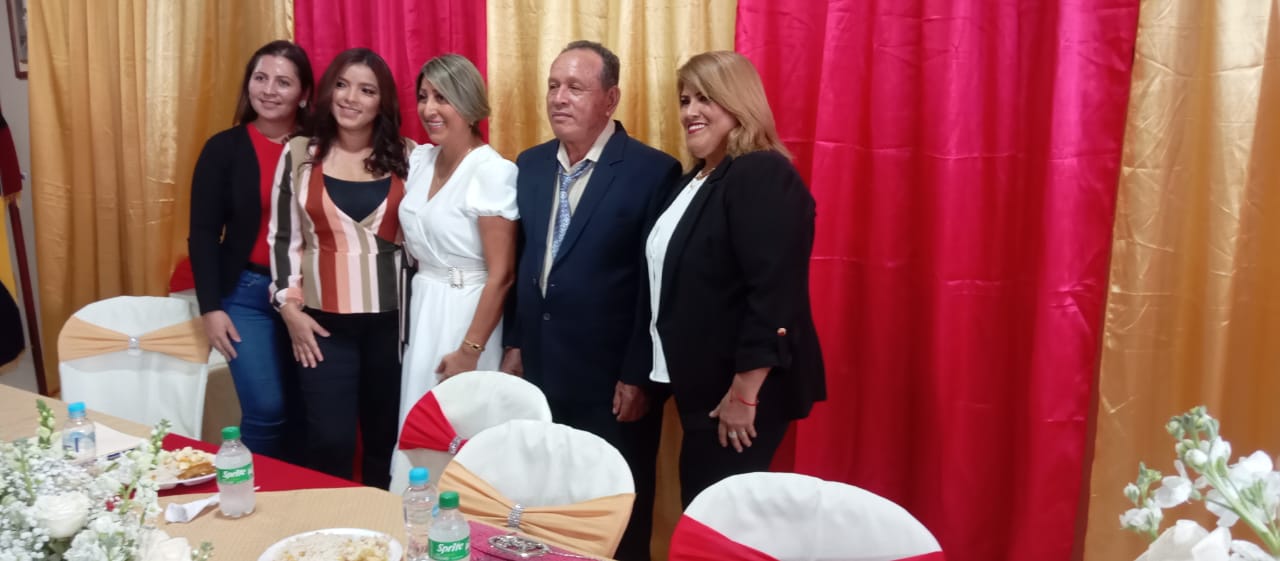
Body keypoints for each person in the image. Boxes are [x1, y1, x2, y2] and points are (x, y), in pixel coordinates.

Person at [503, 40, 680, 561]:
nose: (559, 98)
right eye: (553, 86)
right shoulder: (531, 164)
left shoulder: (653, 171)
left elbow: (654, 286)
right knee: (548, 498)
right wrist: (515, 343)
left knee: (616, 507)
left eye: (575, 87)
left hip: (612, 382)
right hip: (540, 370)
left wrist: (637, 374)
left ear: (611, 99)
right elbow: (524, 263)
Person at [623, 50, 826, 507]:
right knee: (703, 510)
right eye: (685, 100)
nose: (690, 112)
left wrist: (745, 392)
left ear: (739, 103)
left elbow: (774, 293)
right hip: (701, 389)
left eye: (705, 98)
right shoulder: (696, 180)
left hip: (737, 395)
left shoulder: (761, 171)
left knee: (717, 522)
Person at [268, 47, 412, 489]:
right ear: (328, 91)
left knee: (386, 441)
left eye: (367, 90)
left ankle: (382, 524)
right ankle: (330, 524)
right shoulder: (299, 153)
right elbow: (283, 239)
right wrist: (289, 308)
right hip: (322, 325)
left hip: (393, 325)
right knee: (330, 441)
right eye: (343, 85)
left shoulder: (409, 156)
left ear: (381, 103)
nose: (351, 98)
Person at [391, 54, 517, 489]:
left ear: (469, 103)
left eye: (442, 97)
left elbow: (502, 274)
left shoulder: (492, 172)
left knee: (459, 429)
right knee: (418, 425)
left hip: (467, 312)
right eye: (423, 96)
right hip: (425, 306)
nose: (429, 109)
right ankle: (413, 514)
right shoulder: (421, 160)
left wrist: (470, 351)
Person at [188, 40, 314, 460]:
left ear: (304, 93)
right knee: (266, 408)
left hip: (310, 296)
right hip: (246, 296)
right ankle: (245, 486)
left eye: (283, 82)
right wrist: (210, 308)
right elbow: (202, 234)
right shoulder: (223, 149)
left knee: (309, 411)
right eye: (260, 78)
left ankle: (300, 494)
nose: (269, 90)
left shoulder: (322, 148)